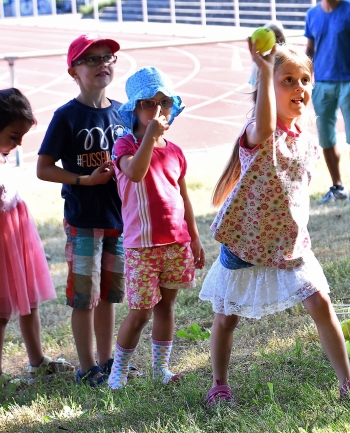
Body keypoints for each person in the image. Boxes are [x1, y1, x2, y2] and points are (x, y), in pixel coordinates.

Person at [199, 41, 350, 406]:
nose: (300, 88)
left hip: (289, 243)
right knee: (226, 318)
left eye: (305, 80)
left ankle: (348, 382)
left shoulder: (306, 141)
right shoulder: (258, 131)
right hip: (246, 241)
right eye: (288, 81)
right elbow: (267, 123)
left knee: (320, 303)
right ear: (266, 87)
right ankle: (219, 385)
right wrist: (266, 70)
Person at [36, 34, 133, 386]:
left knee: (109, 295)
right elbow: (43, 168)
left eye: (107, 57)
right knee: (84, 299)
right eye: (91, 59)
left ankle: (107, 361)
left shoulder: (124, 112)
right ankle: (86, 367)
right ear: (73, 71)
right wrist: (85, 181)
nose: (102, 64)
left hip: (118, 221)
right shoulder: (66, 117)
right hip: (83, 221)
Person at [0, 79, 74, 388]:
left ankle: (38, 361)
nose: (19, 144)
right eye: (15, 136)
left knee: (29, 302)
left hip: (16, 240)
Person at [107, 67, 205, 390]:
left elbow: (184, 197)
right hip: (141, 246)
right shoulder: (124, 147)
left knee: (166, 307)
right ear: (134, 109)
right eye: (148, 103)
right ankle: (118, 371)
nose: (157, 110)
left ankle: (159, 368)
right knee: (140, 313)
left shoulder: (175, 152)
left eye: (163, 102)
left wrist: (194, 238)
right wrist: (148, 136)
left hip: (175, 243)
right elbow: (135, 173)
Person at [305, 0, 350, 203]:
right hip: (322, 85)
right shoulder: (312, 14)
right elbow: (309, 50)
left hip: (348, 83)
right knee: (325, 138)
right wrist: (306, 80)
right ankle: (337, 187)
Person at [249, 21, 286, 88]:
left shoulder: (287, 60)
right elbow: (255, 93)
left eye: (277, 36)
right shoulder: (257, 65)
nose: (276, 39)